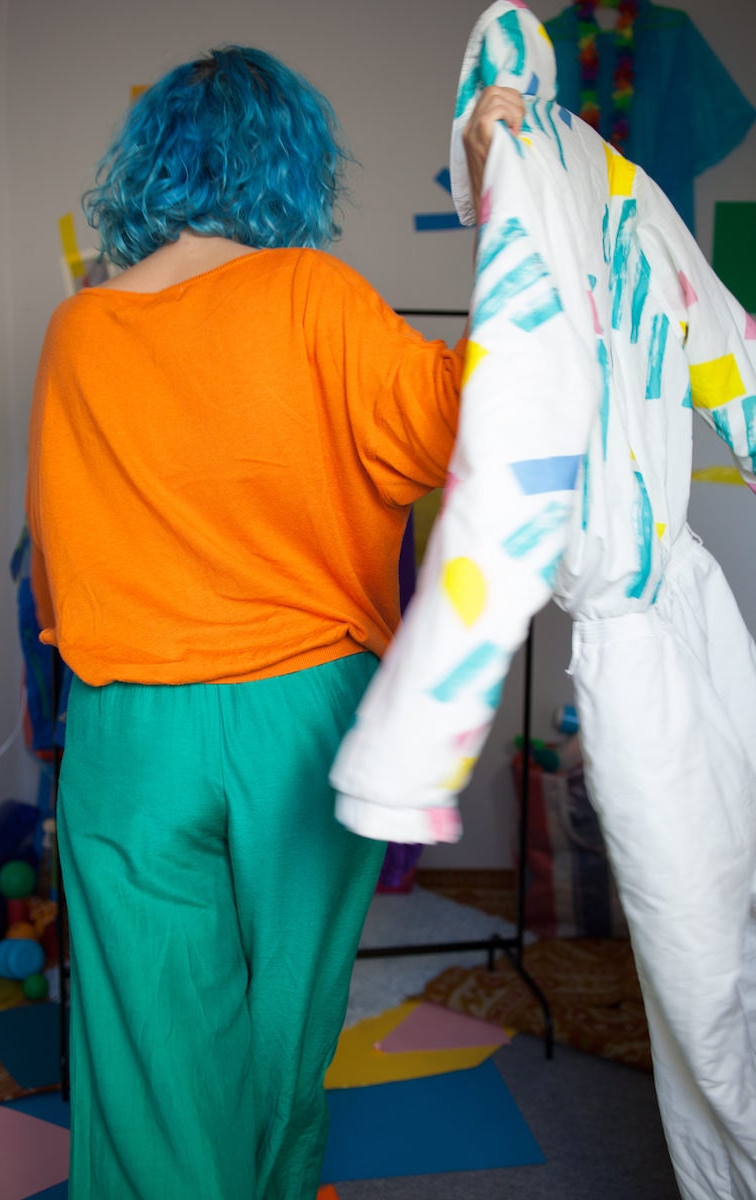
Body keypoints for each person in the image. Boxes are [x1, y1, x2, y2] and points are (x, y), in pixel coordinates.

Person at [25, 44, 523, 1200]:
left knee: (148, 1044)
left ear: (146, 165)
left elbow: (55, 563)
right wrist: (501, 191)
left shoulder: (77, 328)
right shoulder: (313, 297)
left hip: (127, 725)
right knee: (281, 1022)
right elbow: (482, 416)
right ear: (289, 167)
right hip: (299, 719)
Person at [330, 4, 756, 1198]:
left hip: (640, 638)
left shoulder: (530, 198)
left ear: (474, 118)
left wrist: (413, 739)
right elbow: (731, 358)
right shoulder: (636, 195)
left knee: (696, 968)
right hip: (698, 610)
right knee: (731, 922)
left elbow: (515, 453)